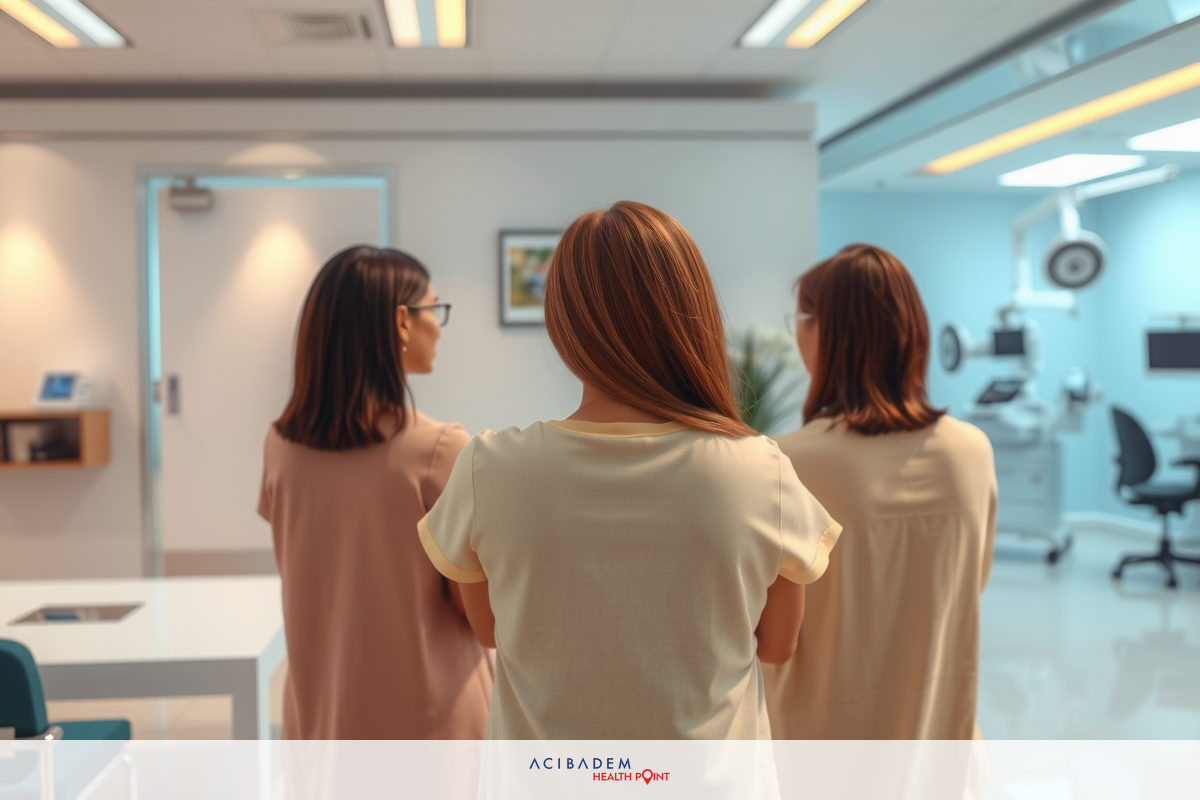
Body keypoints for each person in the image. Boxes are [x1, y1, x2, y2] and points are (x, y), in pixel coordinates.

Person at [418, 201, 840, 739]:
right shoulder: (759, 468)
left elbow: (491, 630)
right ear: (694, 311)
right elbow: (778, 646)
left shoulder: (489, 467)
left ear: (562, 321)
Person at [762, 243, 997, 740]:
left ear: (826, 333)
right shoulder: (972, 451)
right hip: (942, 737)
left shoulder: (786, 461)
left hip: (822, 743)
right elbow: (968, 586)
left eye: (802, 318)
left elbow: (770, 637)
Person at [258, 245, 492, 739]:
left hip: (322, 720)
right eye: (435, 310)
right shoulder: (441, 450)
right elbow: (479, 614)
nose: (440, 326)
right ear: (402, 322)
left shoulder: (279, 445)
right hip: (430, 722)